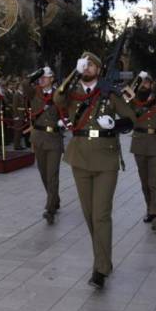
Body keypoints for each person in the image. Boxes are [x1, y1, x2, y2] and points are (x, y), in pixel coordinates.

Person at [53, 52, 133, 290]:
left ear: (99, 69)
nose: (87, 68)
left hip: (106, 159)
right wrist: (73, 73)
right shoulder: (72, 92)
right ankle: (102, 257)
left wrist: (114, 125)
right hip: (80, 158)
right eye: (84, 65)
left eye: (91, 65)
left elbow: (132, 118)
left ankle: (101, 267)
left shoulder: (109, 92)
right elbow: (57, 99)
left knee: (101, 215)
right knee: (89, 215)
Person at [23, 67, 64, 225]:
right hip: (38, 138)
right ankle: (55, 199)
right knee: (43, 174)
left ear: (52, 79)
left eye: (45, 77)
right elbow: (25, 84)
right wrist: (37, 73)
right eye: (41, 77)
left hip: (54, 139)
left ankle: (50, 209)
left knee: (52, 174)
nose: (42, 80)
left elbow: (67, 108)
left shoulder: (59, 94)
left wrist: (64, 121)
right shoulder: (34, 92)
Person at [129, 72, 156, 231]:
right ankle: (150, 209)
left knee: (154, 181)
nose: (144, 85)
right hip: (139, 144)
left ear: (152, 85)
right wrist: (135, 82)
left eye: (147, 83)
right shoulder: (132, 100)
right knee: (145, 181)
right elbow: (124, 104)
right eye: (142, 83)